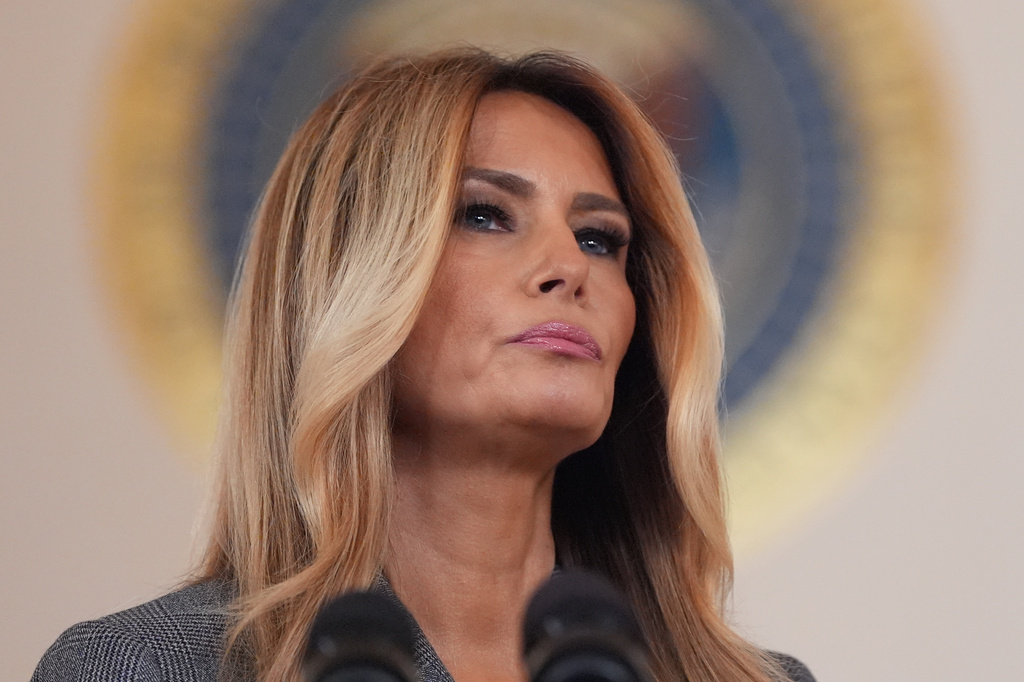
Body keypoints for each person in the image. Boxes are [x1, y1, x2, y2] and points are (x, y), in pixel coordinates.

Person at [33, 49, 814, 682]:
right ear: (347, 280)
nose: (569, 268)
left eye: (598, 238)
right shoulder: (144, 669)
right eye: (485, 215)